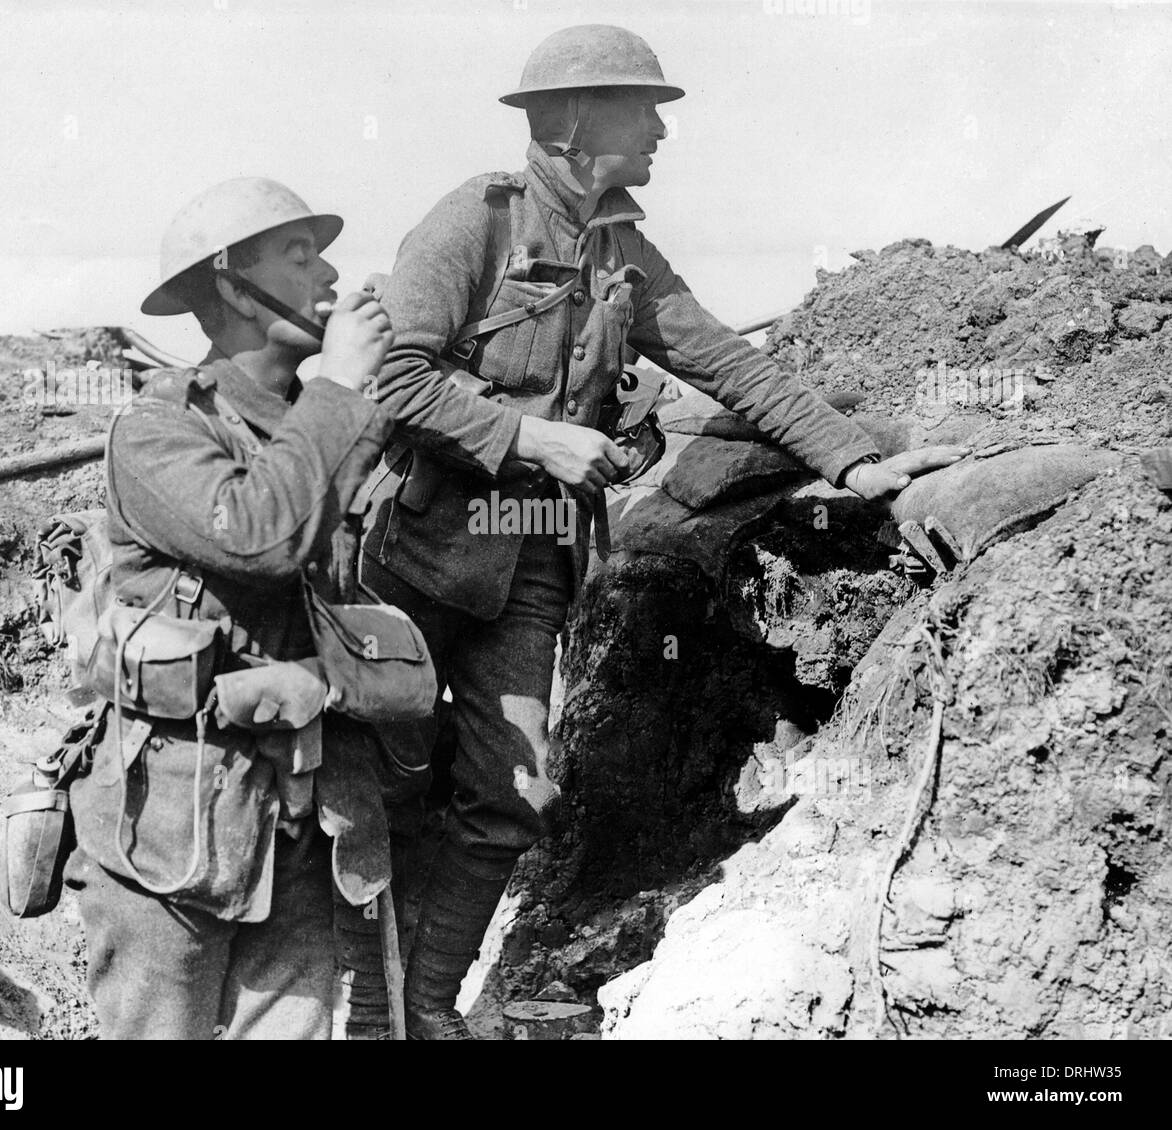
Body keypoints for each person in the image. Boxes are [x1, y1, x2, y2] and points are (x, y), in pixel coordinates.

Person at [359, 25, 968, 1039]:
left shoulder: (618, 252)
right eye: (640, 111)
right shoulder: (474, 224)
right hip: (420, 557)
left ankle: (425, 1009)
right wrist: (529, 437)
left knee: (512, 792)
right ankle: (360, 1012)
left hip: (531, 570)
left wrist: (856, 462)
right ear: (565, 122)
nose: (659, 131)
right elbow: (394, 374)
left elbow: (729, 361)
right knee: (383, 786)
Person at [64, 176, 397, 1039]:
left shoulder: (326, 424)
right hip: (167, 821)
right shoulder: (158, 429)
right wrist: (341, 391)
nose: (327, 274)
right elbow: (258, 535)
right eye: (298, 255)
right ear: (229, 283)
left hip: (302, 815)